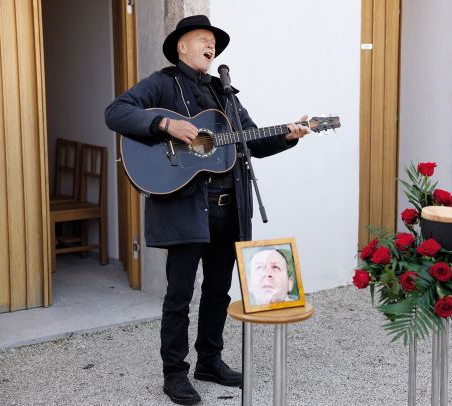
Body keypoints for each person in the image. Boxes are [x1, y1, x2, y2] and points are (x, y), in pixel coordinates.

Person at [104, 15, 310, 405]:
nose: (210, 46)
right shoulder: (163, 83)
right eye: (203, 39)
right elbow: (116, 111)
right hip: (185, 207)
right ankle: (174, 374)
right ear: (182, 45)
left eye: (213, 42)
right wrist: (164, 123)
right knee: (180, 293)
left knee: (218, 289)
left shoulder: (225, 94)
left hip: (228, 208)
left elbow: (251, 141)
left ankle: (210, 361)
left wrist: (287, 135)